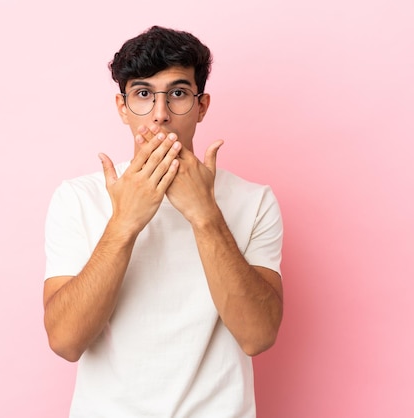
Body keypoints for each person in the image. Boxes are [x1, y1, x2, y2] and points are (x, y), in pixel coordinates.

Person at [43, 25, 284, 417]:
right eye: (142, 94)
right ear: (122, 107)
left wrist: (205, 215)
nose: (160, 115)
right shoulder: (77, 199)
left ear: (201, 105)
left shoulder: (254, 201)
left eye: (177, 94)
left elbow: (258, 336)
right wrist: (124, 223)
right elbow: (66, 342)